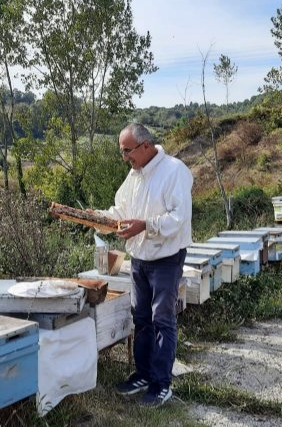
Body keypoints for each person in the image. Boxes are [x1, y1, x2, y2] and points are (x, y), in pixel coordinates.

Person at [97, 123, 193, 407]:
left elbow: (180, 218)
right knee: (141, 319)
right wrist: (98, 217)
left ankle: (162, 384)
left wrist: (145, 226)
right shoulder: (134, 175)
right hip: (139, 260)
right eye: (122, 151)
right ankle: (143, 374)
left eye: (127, 151)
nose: (125, 157)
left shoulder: (175, 171)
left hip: (166, 259)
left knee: (163, 320)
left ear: (146, 146)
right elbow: (120, 211)